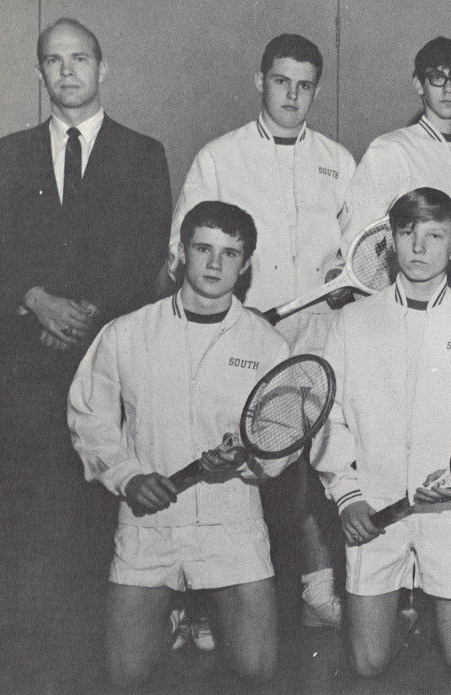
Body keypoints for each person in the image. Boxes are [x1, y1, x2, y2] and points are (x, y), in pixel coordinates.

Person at [166, 32, 356, 631]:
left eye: (304, 86)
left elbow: (358, 253)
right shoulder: (218, 157)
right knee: (227, 463)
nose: (292, 96)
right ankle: (199, 603)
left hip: (319, 334)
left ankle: (317, 590)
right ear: (260, 81)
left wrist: (344, 279)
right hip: (240, 336)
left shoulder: (338, 160)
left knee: (316, 463)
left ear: (316, 91)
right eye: (281, 82)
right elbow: (183, 250)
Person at [0, 16, 170, 657]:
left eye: (79, 58)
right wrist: (34, 300)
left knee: (99, 508)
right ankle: (28, 654)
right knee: (28, 515)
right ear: (39, 72)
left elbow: (146, 251)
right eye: (53, 59)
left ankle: (100, 656)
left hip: (105, 358)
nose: (67, 70)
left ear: (103, 69)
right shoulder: (5, 156)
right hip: (23, 368)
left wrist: (82, 317)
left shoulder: (143, 154)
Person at [69, 201, 289, 688]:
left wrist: (247, 460)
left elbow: (280, 436)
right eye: (203, 248)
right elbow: (90, 417)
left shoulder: (267, 345)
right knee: (127, 674)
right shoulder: (126, 333)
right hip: (149, 521)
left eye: (230, 253)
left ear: (246, 265)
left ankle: (205, 610)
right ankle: (173, 616)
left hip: (232, 521)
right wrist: (128, 477)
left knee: (257, 668)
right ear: (181, 253)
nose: (214, 263)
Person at [313, 188, 451, 677]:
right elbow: (327, 417)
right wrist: (347, 495)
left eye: (435, 236)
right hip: (374, 512)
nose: (418, 247)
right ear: (390, 241)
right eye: (407, 233)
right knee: (368, 665)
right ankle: (406, 619)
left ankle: (430, 618)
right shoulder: (353, 321)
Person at [342, 36, 451, 295]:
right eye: (438, 77)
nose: (449, 90)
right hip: (407, 306)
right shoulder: (391, 149)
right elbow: (361, 241)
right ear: (419, 84)